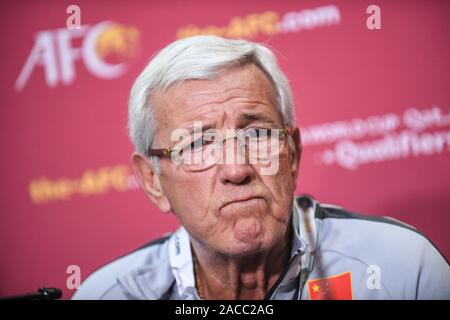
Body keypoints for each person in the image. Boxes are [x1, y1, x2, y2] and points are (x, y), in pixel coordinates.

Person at [73, 35, 450, 300]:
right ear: (153, 181)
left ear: (293, 153)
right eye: (198, 144)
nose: (237, 170)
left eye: (257, 134)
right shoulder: (111, 294)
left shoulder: (401, 268)